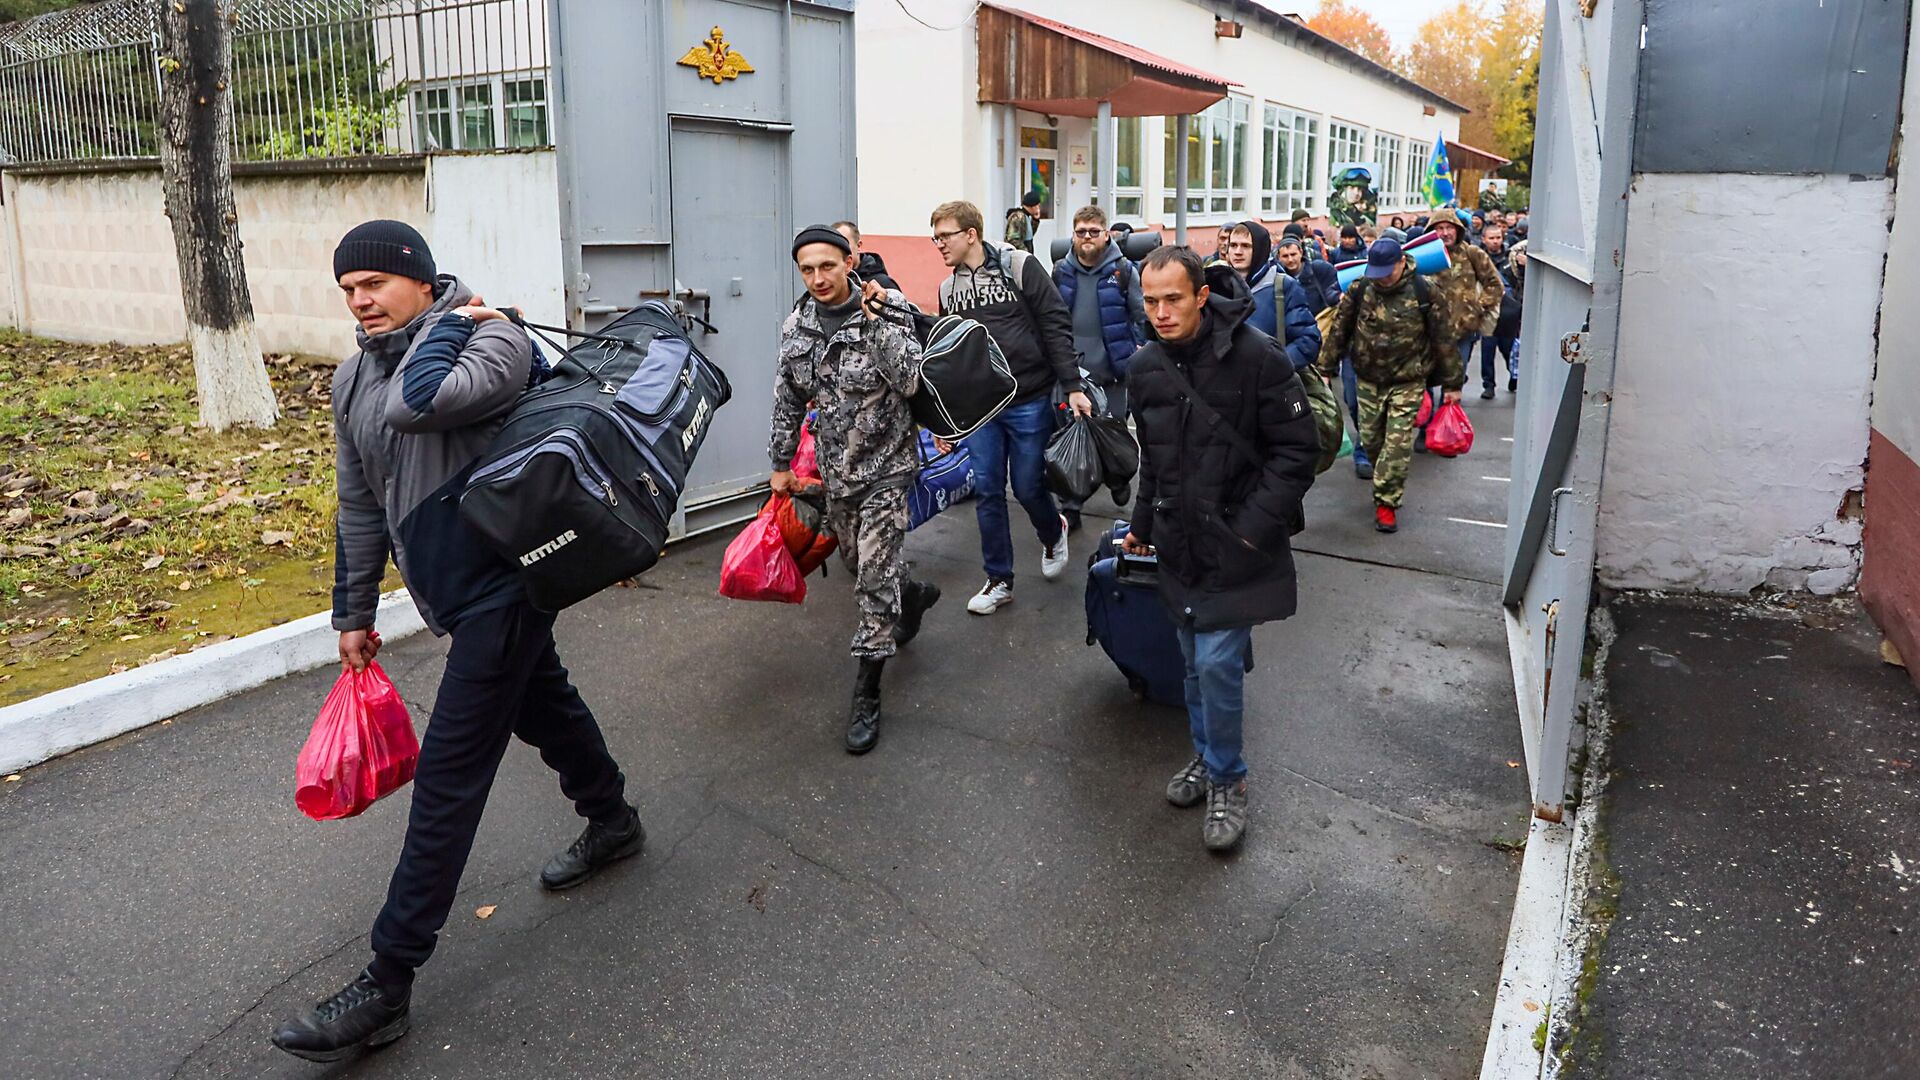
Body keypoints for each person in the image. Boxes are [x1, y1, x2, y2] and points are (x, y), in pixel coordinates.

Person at [272, 221, 639, 1061]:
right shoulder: (349, 379)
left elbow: (419, 404)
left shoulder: (491, 338)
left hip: (507, 583)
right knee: (544, 706)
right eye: (348, 290)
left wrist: (446, 322)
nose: (360, 302)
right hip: (453, 590)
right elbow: (360, 500)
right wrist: (352, 609)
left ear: (420, 278)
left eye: (374, 283)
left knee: (449, 776)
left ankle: (388, 979)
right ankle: (611, 816)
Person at [1123, 246, 1319, 852]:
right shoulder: (1144, 367)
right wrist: (1141, 525)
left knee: (1215, 664)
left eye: (1173, 299)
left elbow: (1297, 451)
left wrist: (1252, 528)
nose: (1160, 312)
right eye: (1150, 301)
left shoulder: (1258, 357)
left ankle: (1229, 779)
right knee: (1189, 662)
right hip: (1179, 545)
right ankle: (1208, 758)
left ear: (1202, 294)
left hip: (1238, 546)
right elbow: (1152, 458)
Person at [769, 225, 940, 755]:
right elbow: (787, 396)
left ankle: (866, 694)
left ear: (850, 262)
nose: (818, 278)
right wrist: (779, 462)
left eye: (827, 266)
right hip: (835, 473)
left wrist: (877, 319)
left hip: (888, 467)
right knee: (855, 562)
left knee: (870, 577)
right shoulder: (797, 325)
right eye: (807, 269)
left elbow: (911, 380)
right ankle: (910, 595)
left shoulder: (888, 309)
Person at [930, 200, 1092, 614]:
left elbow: (1055, 321)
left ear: (970, 234)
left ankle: (1052, 530)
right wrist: (946, 419)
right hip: (982, 409)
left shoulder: (1019, 266)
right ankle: (999, 579)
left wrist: (1072, 384)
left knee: (1026, 484)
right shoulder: (949, 289)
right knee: (987, 488)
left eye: (944, 236)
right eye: (935, 238)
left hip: (1029, 398)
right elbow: (951, 358)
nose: (939, 245)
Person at [1319, 237, 1463, 533]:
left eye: (1388, 271)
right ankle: (1385, 480)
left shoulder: (1425, 291)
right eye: (1377, 272)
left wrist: (1452, 384)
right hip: (1368, 379)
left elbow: (1444, 339)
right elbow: (1340, 330)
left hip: (1408, 381)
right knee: (1372, 441)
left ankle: (1386, 504)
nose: (1382, 278)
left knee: (1396, 445)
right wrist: (1326, 368)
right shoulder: (1360, 288)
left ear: (1402, 263)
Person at [1052, 204, 1147, 530]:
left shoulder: (1123, 271)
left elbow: (1141, 314)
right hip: (1073, 375)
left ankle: (1117, 478)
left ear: (1106, 234)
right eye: (1081, 232)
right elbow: (1052, 319)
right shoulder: (1061, 272)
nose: (1087, 237)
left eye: (1094, 231)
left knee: (1114, 432)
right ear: (1073, 235)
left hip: (1114, 373)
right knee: (1073, 436)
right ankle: (1072, 505)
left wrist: (1146, 350)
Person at [1421, 208, 1502, 449]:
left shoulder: (1472, 254)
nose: (1445, 233)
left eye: (1449, 228)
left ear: (1458, 230)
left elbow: (1494, 285)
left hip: (1462, 331)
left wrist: (1477, 306)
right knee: (1424, 379)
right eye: (1439, 228)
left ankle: (1443, 432)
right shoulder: (1424, 256)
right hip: (1428, 331)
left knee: (1453, 380)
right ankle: (1423, 429)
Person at [1222, 221, 1320, 373]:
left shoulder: (1283, 286)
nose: (1238, 252)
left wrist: (1275, 367)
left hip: (1269, 388)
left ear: (1261, 249)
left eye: (1246, 246)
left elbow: (1308, 341)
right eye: (1233, 245)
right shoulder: (1220, 286)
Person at [1476, 221, 1520, 398]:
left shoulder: (1510, 260)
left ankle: (1514, 375)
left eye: (1498, 238)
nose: (1495, 241)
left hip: (1507, 313)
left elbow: (1519, 284)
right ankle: (1489, 385)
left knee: (1508, 348)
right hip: (1487, 313)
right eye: (1491, 238)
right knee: (1487, 351)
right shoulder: (1477, 259)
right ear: (1484, 239)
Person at [1275, 234, 1341, 314]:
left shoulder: (1319, 269)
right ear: (1279, 257)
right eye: (1285, 256)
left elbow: (1333, 292)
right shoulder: (1277, 279)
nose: (1290, 260)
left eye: (1293, 254)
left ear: (1301, 252)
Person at [832, 220, 900, 293]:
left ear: (858, 246)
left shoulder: (883, 284)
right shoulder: (828, 282)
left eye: (844, 244)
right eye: (833, 246)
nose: (837, 251)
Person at [1004, 189, 1043, 253]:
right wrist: (1025, 253)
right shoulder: (1018, 218)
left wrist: (1035, 220)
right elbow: (1013, 240)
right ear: (1033, 206)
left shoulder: (1026, 217)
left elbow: (1028, 235)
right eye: (1038, 206)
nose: (1039, 208)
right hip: (1019, 257)